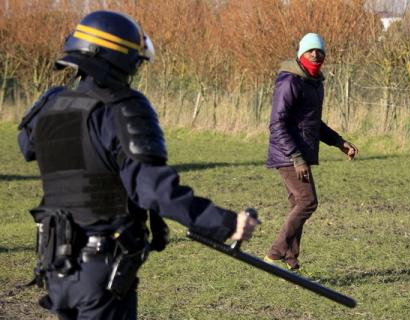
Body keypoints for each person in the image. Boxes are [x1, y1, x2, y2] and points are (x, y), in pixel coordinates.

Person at [18, 10, 258, 320]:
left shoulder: (50, 106)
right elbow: (153, 189)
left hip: (57, 267)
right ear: (118, 59)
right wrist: (223, 223)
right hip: (99, 270)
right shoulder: (120, 108)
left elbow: (27, 147)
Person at [264, 33, 358, 270]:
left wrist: (338, 142)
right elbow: (277, 124)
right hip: (289, 154)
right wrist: (296, 157)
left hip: (299, 154)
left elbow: (313, 123)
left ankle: (290, 258)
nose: (315, 54)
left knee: (298, 202)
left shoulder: (313, 83)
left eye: (320, 51)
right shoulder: (290, 81)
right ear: (300, 54)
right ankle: (275, 253)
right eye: (310, 51)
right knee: (307, 201)